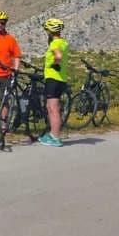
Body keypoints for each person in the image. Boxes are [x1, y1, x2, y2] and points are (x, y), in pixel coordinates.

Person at [39, 17, 68, 148]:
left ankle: (55, 137)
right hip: (61, 79)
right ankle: (53, 134)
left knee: (52, 109)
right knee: (54, 108)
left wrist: (54, 63)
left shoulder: (54, 44)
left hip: (53, 78)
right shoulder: (64, 43)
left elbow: (59, 56)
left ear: (50, 31)